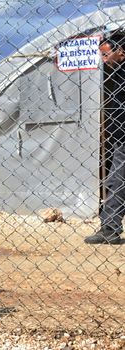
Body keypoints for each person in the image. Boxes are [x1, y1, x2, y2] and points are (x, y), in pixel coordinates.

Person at [85, 34, 125, 245]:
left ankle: (110, 228)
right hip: (122, 138)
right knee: (116, 180)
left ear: (121, 52)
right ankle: (109, 228)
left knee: (117, 181)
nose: (102, 59)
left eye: (105, 54)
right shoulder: (116, 73)